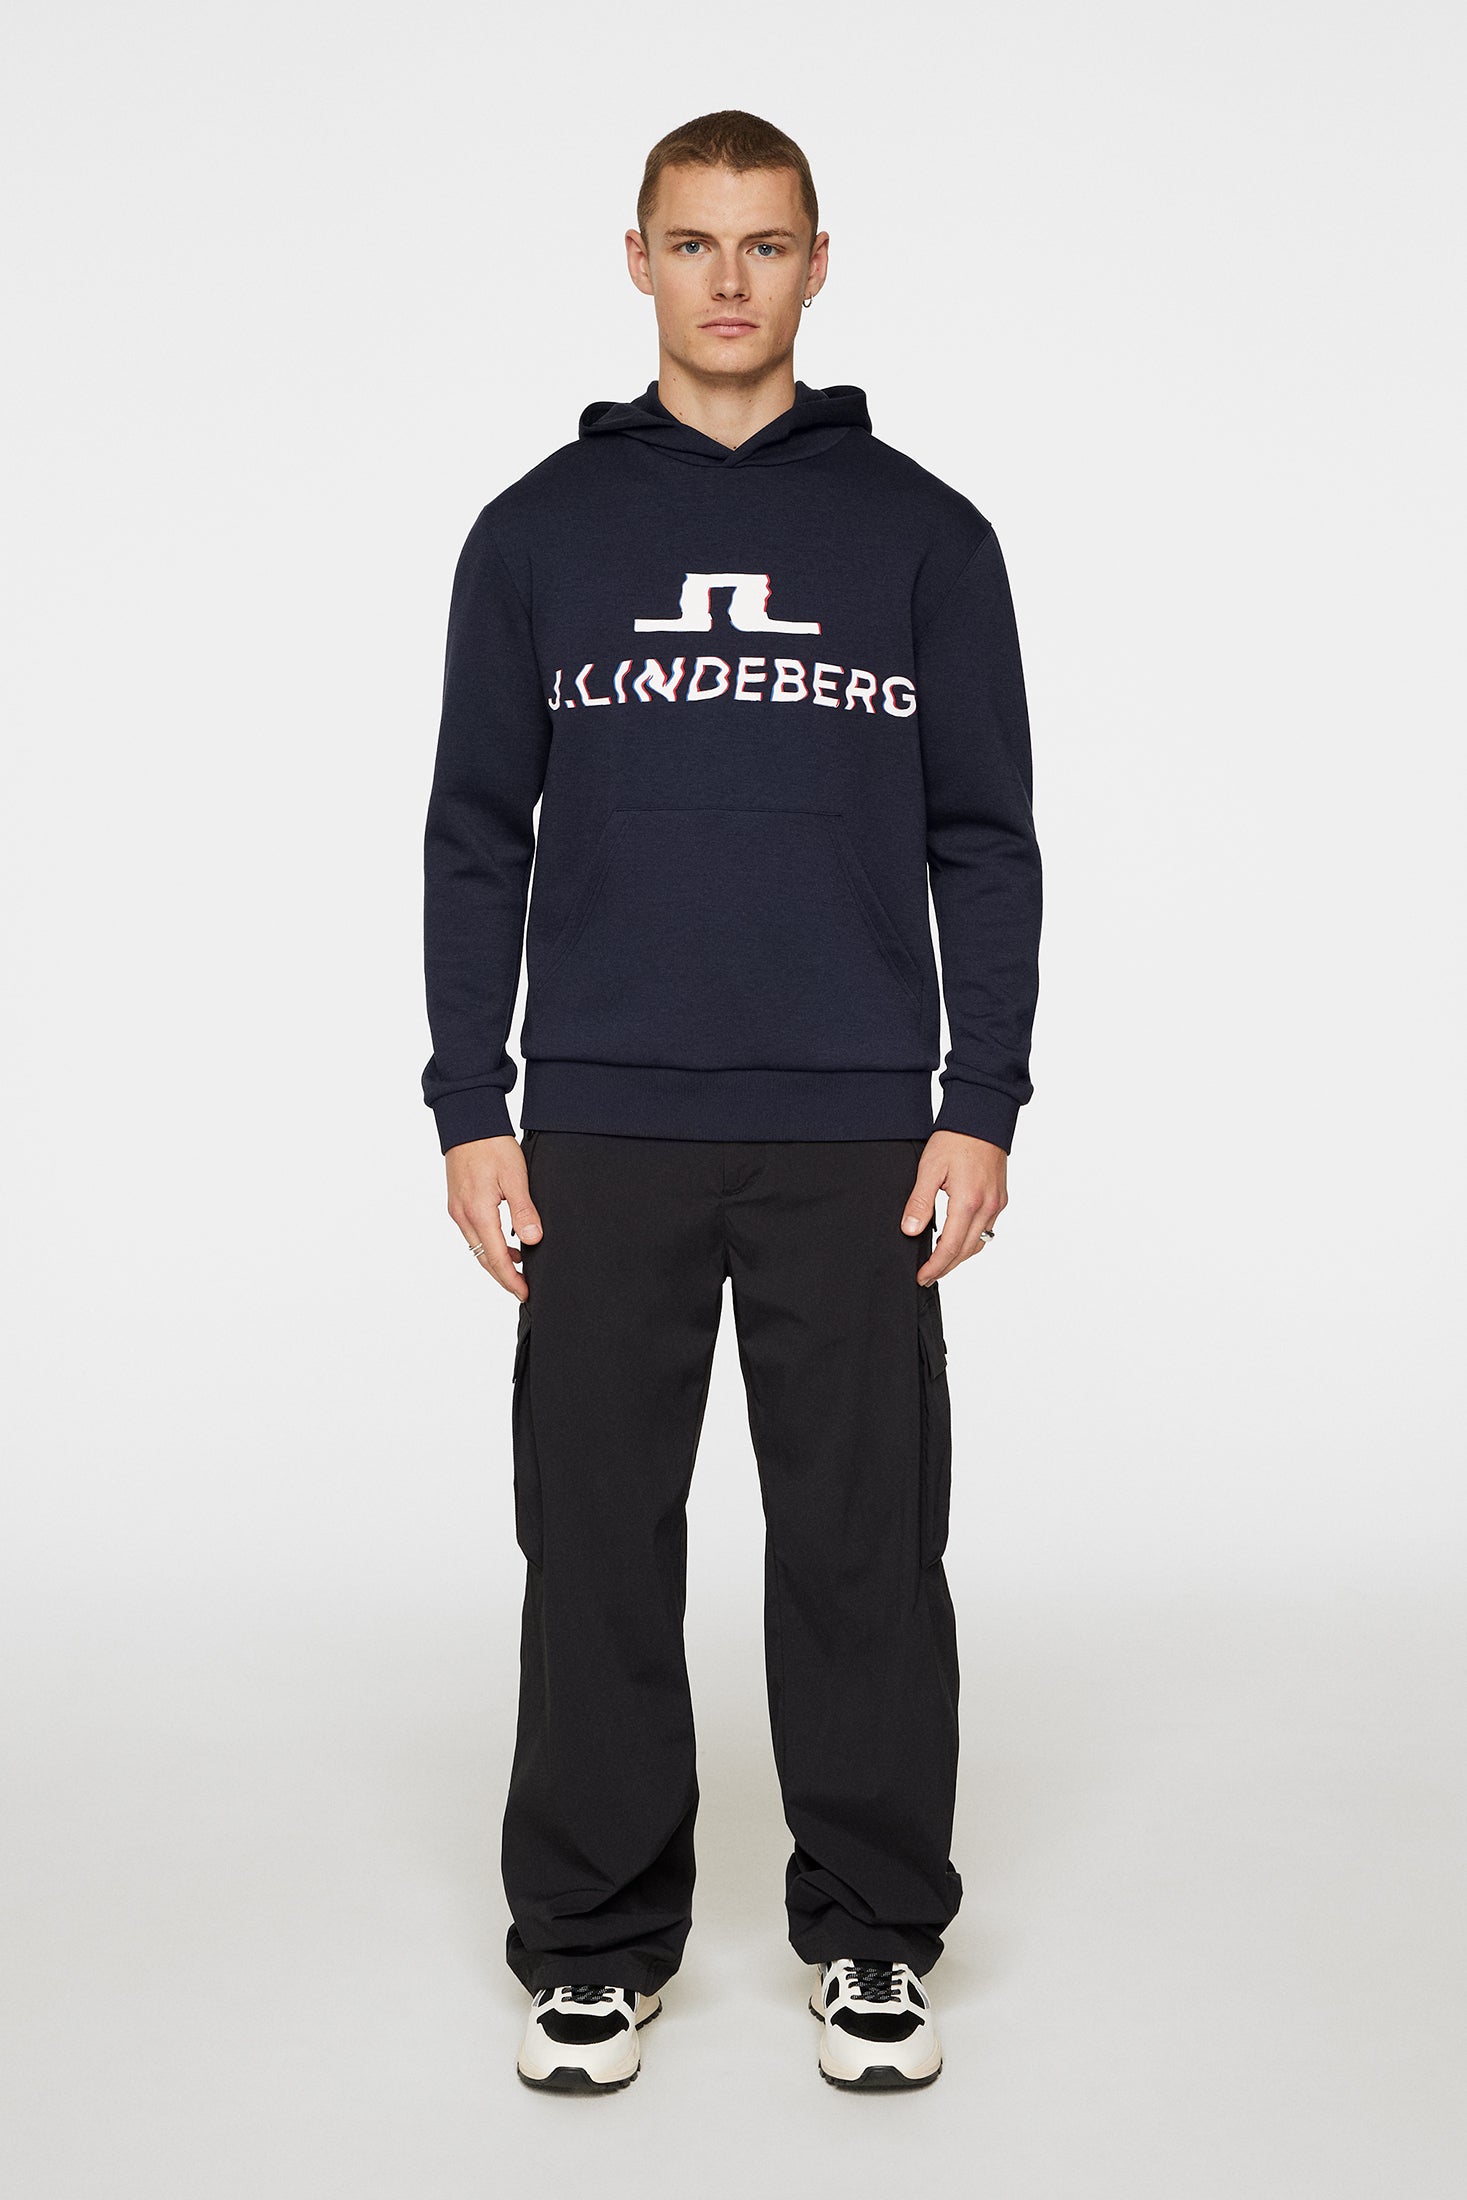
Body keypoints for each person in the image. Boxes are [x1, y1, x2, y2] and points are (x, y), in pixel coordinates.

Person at [420, 108, 1042, 2094]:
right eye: (692, 243)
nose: (727, 280)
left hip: (857, 1122)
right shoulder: (536, 533)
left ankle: (872, 1932)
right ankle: (593, 1942)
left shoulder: (925, 536)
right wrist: (469, 1101)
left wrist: (981, 1098)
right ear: (637, 260)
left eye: (764, 245)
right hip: (599, 1120)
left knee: (862, 1543)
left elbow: (985, 839)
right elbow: (474, 837)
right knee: (597, 1538)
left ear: (817, 263)